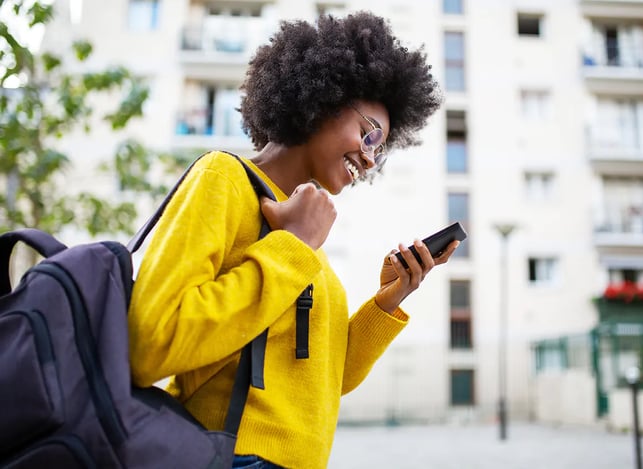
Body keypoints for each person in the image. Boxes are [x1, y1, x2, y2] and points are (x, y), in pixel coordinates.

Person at [128, 11, 458, 469]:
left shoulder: (307, 233)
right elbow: (152, 344)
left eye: (380, 150)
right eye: (369, 134)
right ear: (324, 99)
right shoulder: (224, 179)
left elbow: (326, 378)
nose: (370, 157)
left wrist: (388, 299)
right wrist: (291, 248)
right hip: (230, 456)